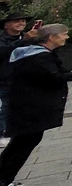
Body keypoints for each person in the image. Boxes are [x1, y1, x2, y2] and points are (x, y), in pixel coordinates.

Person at [0, 24, 72, 186]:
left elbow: (54, 73)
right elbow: (53, 77)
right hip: (31, 108)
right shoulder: (40, 57)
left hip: (26, 107)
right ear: (51, 37)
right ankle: (3, 183)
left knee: (19, 143)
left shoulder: (37, 54)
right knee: (22, 144)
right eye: (64, 34)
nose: (66, 37)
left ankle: (4, 178)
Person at [0, 9, 41, 148]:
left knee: (22, 106)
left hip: (24, 78)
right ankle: (3, 133)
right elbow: (3, 52)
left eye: (23, 21)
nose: (21, 23)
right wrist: (24, 40)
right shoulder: (2, 39)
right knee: (6, 107)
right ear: (6, 25)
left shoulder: (26, 37)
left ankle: (17, 131)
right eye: (16, 21)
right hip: (5, 78)